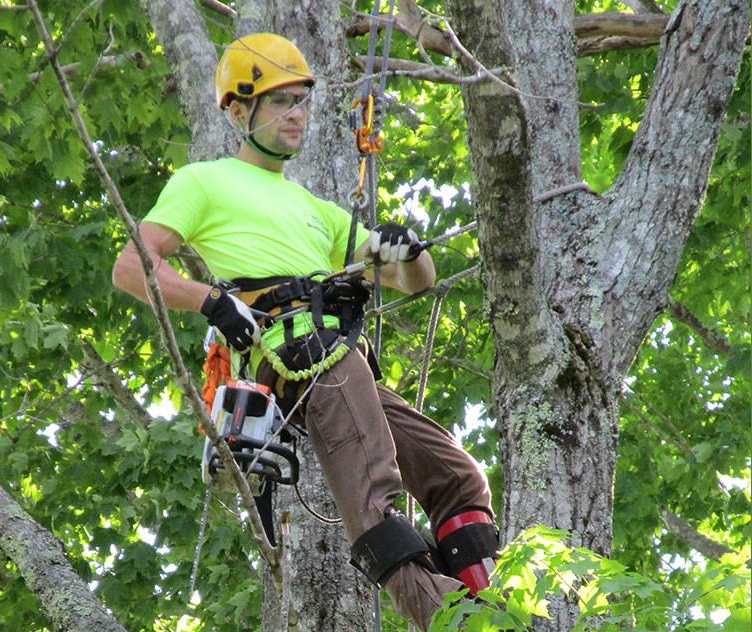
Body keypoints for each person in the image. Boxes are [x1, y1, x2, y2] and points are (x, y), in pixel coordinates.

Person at [113, 33, 498, 631]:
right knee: (372, 495)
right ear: (239, 113)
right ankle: (455, 622)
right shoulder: (204, 181)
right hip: (294, 355)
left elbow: (417, 281)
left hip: (341, 360)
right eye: (279, 102)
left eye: (302, 101)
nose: (297, 115)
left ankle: (493, 607)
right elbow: (134, 265)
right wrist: (212, 300)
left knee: (455, 475)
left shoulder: (317, 211)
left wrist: (407, 246)